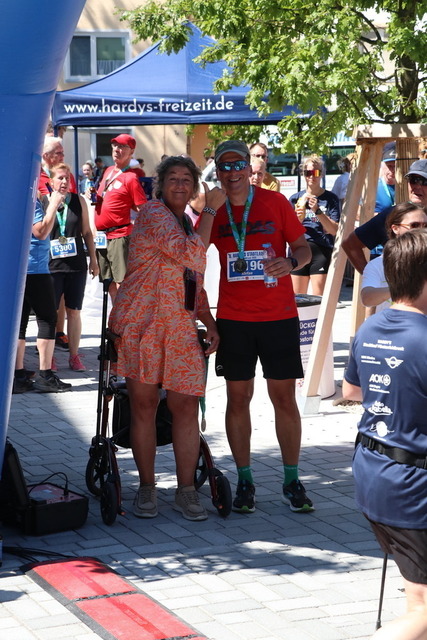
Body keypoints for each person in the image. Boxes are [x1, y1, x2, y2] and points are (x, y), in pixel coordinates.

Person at [197, 140, 314, 514]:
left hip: (278, 316)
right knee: (237, 399)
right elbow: (194, 253)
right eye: (225, 166)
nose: (232, 173)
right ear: (218, 172)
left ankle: (292, 479)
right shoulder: (214, 210)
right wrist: (209, 210)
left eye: (238, 165)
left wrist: (291, 263)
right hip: (235, 320)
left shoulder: (275, 202)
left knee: (284, 399)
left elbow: (304, 249)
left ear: (250, 168)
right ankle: (245, 480)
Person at [108, 156, 223, 521]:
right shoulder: (155, 213)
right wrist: (211, 211)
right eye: (172, 178)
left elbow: (193, 280)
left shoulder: (185, 222)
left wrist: (208, 320)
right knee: (144, 406)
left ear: (194, 186)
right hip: (142, 326)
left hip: (180, 329)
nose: (179, 184)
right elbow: (192, 255)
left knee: (185, 407)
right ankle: (147, 487)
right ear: (160, 184)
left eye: (186, 179)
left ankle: (186, 490)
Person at [343, 229, 427, 640]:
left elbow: (351, 391)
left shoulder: (370, 328)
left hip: (374, 473)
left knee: (419, 602)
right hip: (413, 486)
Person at [14, 197, 72, 394]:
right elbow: (40, 232)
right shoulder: (29, 198)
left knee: (19, 323)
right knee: (47, 320)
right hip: (35, 269)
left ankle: (18, 375)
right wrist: (53, 205)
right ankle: (45, 376)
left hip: (19, 267)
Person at [47, 163, 99, 372]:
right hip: (52, 265)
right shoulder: (45, 201)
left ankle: (74, 356)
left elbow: (86, 232)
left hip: (76, 264)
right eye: (60, 178)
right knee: (51, 313)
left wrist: (93, 259)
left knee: (74, 311)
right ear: (51, 181)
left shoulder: (79, 201)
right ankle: (49, 357)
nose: (64, 181)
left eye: (67, 178)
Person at [93, 134, 147, 303]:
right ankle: (117, 316)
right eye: (115, 146)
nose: (117, 150)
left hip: (119, 235)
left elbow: (143, 209)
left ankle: (124, 318)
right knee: (108, 283)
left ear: (131, 152)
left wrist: (139, 233)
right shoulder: (108, 171)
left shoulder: (131, 177)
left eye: (122, 147)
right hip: (102, 236)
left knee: (121, 283)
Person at [341, 144, 404, 275]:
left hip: (402, 249)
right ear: (382, 166)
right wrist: (377, 216)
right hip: (377, 249)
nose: (392, 170)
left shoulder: (405, 187)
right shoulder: (373, 187)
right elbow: (356, 211)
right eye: (389, 166)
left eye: (395, 166)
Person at [289, 154, 341, 295]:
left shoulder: (330, 199)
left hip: (321, 250)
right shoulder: (295, 199)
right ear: (303, 174)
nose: (312, 176)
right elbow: (289, 231)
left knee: (319, 299)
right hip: (299, 249)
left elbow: (334, 230)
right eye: (308, 173)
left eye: (316, 173)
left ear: (322, 174)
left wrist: (317, 211)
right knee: (298, 299)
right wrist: (298, 219)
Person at [361, 202, 427, 312]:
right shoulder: (378, 264)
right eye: (414, 225)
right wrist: (401, 289)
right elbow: (367, 298)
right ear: (395, 228)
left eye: (425, 226)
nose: (421, 230)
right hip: (394, 322)